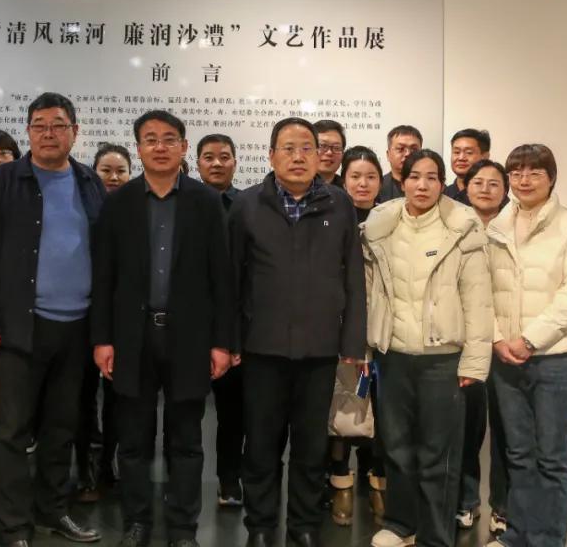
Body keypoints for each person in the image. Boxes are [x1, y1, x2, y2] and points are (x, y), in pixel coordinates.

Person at [0, 93, 105, 547]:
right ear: (27, 131)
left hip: (77, 327)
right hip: (19, 327)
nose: (49, 133)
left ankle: (53, 510)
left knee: (61, 429)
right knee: (11, 432)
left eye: (58, 125)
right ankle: (12, 527)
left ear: (75, 132)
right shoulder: (1, 182)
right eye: (40, 125)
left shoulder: (88, 181)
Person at [92, 109, 235, 547]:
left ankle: (183, 528)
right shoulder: (118, 203)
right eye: (150, 139)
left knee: (186, 441)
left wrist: (222, 342)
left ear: (183, 147)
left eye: (169, 138)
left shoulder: (206, 202)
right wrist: (102, 339)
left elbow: (222, 278)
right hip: (131, 337)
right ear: (138, 148)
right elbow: (104, 277)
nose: (159, 146)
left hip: (189, 338)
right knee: (133, 440)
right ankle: (137, 522)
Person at [230, 118, 366, 547]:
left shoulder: (339, 204)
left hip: (320, 348)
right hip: (262, 347)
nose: (298, 156)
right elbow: (232, 279)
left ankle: (304, 525)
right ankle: (260, 525)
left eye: (307, 148)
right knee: (261, 444)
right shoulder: (247, 205)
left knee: (310, 446)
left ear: (319, 155)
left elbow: (353, 277)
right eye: (288, 148)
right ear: (271, 155)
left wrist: (353, 341)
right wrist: (230, 341)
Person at [362, 149, 494, 547]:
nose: (423, 185)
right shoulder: (379, 226)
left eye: (432, 177)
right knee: (397, 447)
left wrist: (474, 362)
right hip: (393, 356)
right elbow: (368, 295)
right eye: (415, 177)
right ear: (401, 182)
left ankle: (436, 535)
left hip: (443, 359)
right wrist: (366, 350)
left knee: (439, 453)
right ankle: (401, 524)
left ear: (442, 183)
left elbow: (478, 300)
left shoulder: (462, 227)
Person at [484, 144, 567, 547]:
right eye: (516, 172)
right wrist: (497, 338)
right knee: (517, 454)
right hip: (505, 358)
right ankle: (517, 535)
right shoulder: (496, 226)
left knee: (552, 459)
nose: (524, 180)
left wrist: (530, 339)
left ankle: (547, 541)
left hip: (555, 357)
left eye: (534, 172)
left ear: (551, 177)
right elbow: (481, 290)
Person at [328, 146, 387, 528]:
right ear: (343, 179)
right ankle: (340, 481)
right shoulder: (332, 217)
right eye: (355, 176)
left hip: (384, 331)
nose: (362, 184)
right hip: (340, 329)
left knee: (382, 413)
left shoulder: (392, 219)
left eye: (370, 177)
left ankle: (379, 480)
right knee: (341, 408)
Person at [75, 143, 133, 502]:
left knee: (117, 399)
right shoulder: (81, 207)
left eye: (120, 171)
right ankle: (86, 468)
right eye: (106, 170)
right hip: (82, 315)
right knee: (82, 398)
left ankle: (109, 462)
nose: (113, 177)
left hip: (122, 320)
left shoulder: (137, 209)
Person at [456, 159, 511, 536]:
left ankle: (503, 507)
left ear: (505, 190)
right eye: (478, 182)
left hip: (506, 341)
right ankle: (465, 500)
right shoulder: (455, 226)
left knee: (506, 431)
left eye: (494, 183)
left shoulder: (514, 228)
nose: (486, 189)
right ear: (466, 186)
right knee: (467, 428)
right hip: (468, 340)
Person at [195, 133, 243, 506]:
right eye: (209, 157)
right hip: (190, 325)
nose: (216, 163)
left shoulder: (247, 206)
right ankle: (183, 483)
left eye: (224, 157)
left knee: (232, 413)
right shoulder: (184, 202)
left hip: (232, 325)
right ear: (197, 163)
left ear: (235, 163)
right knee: (185, 413)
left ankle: (229, 481)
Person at [444, 129, 490, 206]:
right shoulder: (442, 195)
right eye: (456, 152)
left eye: (469, 152)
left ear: (485, 157)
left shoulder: (493, 196)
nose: (461, 158)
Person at [378, 126, 422, 203]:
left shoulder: (433, 187)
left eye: (414, 149)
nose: (408, 154)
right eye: (400, 149)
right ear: (388, 155)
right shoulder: (377, 187)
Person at [312, 119, 346, 187]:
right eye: (323, 146)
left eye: (336, 148)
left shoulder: (347, 189)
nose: (329, 152)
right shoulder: (295, 186)